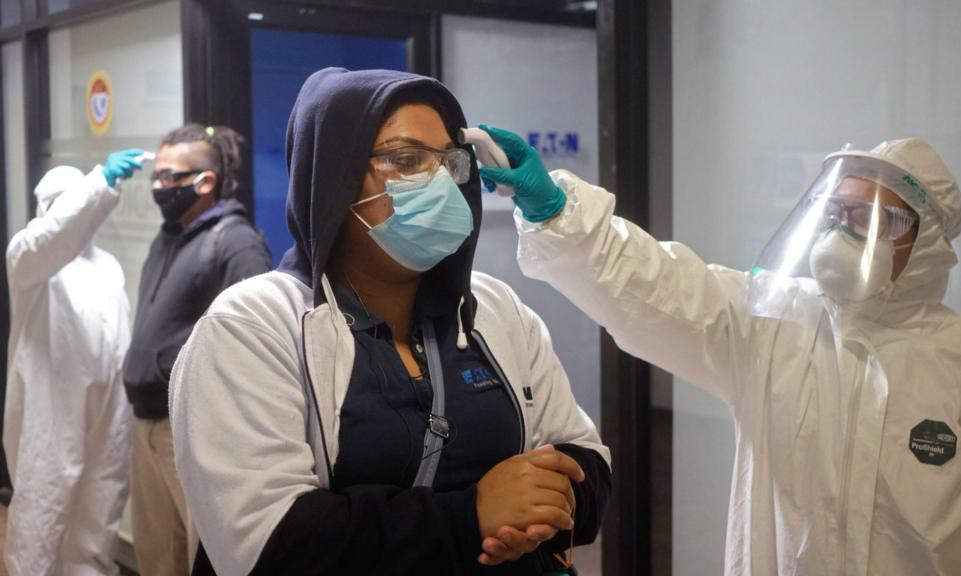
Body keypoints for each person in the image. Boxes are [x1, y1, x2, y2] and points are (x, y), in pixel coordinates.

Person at [479, 128, 961, 576]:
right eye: (836, 213)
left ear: (924, 241)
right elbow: (656, 285)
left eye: (872, 219)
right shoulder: (773, 323)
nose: (842, 232)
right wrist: (558, 213)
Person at [169, 68, 611, 576]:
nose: (440, 181)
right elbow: (265, 543)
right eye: (405, 160)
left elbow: (588, 465)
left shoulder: (496, 309)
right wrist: (472, 518)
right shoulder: (252, 326)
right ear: (333, 175)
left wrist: (541, 513)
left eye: (450, 161)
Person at [123, 125, 272, 576]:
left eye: (170, 177)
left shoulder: (234, 242)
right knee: (156, 555)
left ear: (204, 182)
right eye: (157, 175)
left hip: (187, 429)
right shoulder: (169, 236)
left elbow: (254, 342)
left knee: (197, 553)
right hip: (145, 422)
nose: (158, 186)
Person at [4, 152, 144, 575]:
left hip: (108, 407)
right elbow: (55, 237)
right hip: (52, 410)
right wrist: (99, 182)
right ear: (52, 207)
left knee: (100, 508)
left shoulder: (108, 267)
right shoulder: (29, 256)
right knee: (43, 511)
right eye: (69, 203)